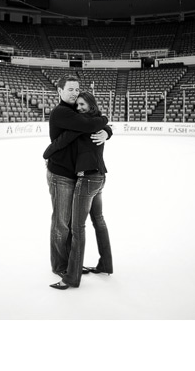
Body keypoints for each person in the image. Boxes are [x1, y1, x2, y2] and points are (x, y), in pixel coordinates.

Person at [45, 91, 114, 290]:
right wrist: (106, 126)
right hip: (99, 178)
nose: (79, 108)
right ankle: (105, 264)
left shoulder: (86, 123)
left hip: (87, 179)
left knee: (77, 229)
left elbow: (63, 140)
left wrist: (46, 153)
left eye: (82, 104)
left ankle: (71, 278)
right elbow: (97, 123)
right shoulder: (94, 123)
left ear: (90, 104)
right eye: (78, 105)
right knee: (98, 221)